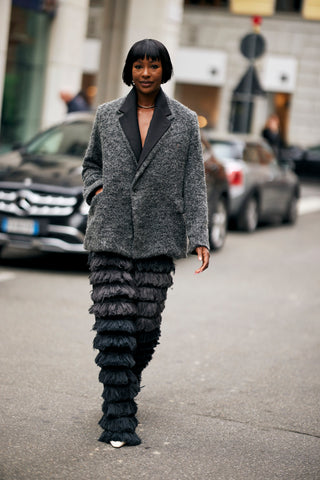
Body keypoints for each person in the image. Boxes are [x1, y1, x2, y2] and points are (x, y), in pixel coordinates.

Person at [82, 38, 210, 448]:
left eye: (153, 65)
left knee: (144, 328)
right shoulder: (106, 115)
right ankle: (118, 420)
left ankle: (123, 386)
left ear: (164, 70)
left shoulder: (185, 121)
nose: (145, 73)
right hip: (110, 232)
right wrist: (97, 190)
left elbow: (195, 181)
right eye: (138, 65)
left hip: (159, 237)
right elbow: (90, 165)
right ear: (129, 70)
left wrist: (199, 235)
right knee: (114, 327)